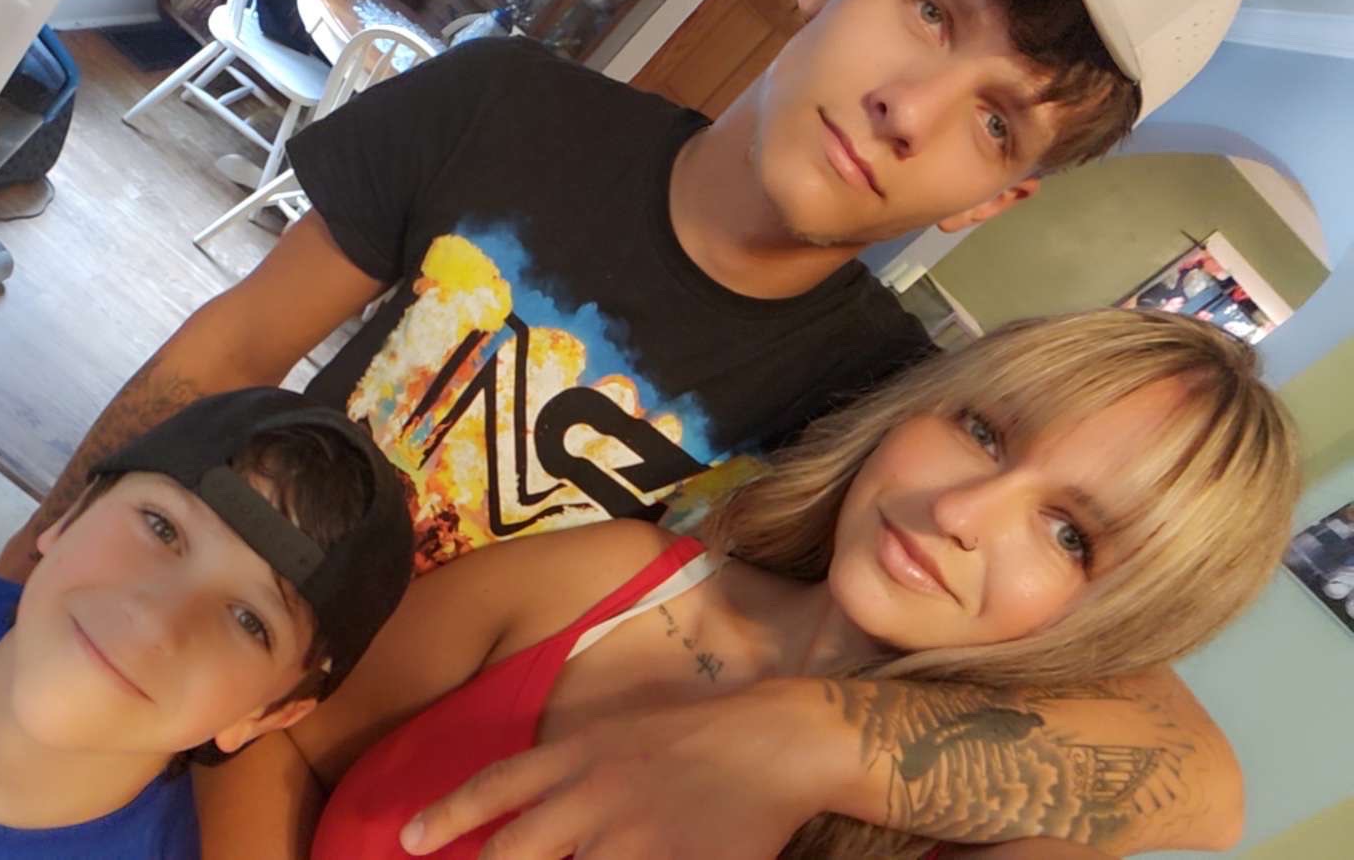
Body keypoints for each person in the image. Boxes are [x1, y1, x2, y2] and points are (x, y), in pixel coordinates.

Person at [5, 0, 1262, 852]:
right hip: (166, 663)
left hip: (381, 781)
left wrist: (801, 741)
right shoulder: (507, 109)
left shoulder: (895, 412)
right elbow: (232, 349)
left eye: (993, 121)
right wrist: (25, 575)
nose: (909, 109)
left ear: (995, 200)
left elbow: (1192, 768)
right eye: (928, 10)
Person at [271, 309, 1298, 859]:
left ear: (1124, 623)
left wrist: (800, 742)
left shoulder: (1004, 837)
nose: (962, 510)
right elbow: (281, 742)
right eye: (983, 431)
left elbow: (1208, 796)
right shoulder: (605, 577)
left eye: (1070, 535)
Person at [0, 389, 413, 858]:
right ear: (68, 518)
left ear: (267, 715)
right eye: (162, 528)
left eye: (249, 620)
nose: (155, 620)